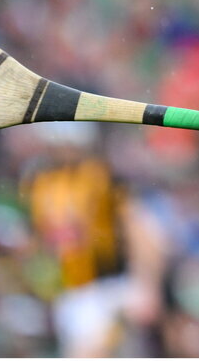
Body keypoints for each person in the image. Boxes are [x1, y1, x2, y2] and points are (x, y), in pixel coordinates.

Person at [22, 122, 165, 357]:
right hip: (68, 293)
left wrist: (148, 283)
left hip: (108, 288)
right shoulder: (38, 182)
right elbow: (41, 241)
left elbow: (142, 230)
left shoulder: (101, 176)